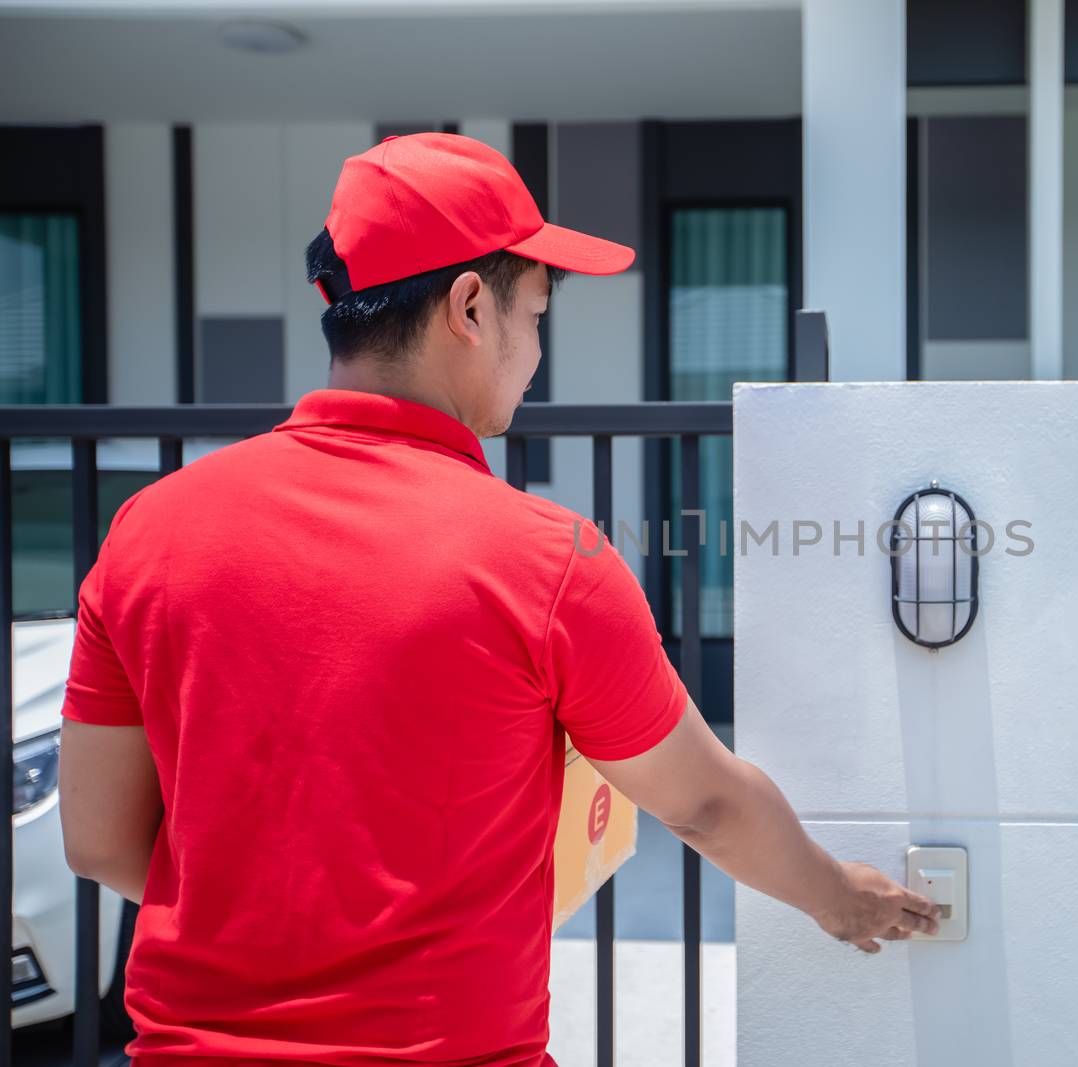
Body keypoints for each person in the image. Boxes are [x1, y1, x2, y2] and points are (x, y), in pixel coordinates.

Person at [58, 132, 938, 1065]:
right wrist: (842, 897)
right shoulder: (545, 560)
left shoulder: (148, 530)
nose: (537, 352)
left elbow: (102, 840)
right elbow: (704, 804)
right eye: (538, 312)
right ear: (471, 306)